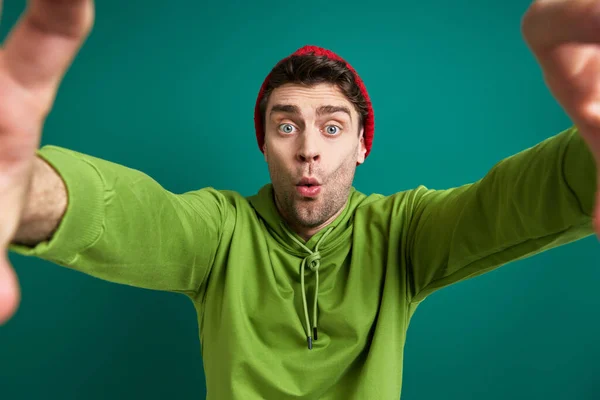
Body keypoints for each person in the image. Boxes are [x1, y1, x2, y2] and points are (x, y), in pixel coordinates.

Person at [1, 0, 599, 399]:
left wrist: (590, 155)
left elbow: (515, 200)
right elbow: (123, 213)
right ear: (263, 141)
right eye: (286, 126)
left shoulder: (403, 234)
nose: (309, 149)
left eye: (332, 127)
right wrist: (21, 182)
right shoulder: (219, 232)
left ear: (363, 145)